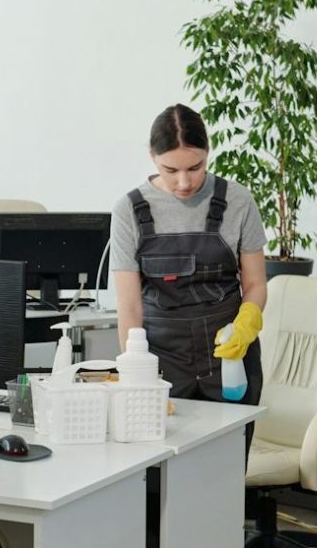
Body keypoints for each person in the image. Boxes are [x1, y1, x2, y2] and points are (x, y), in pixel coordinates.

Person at [110, 104, 266, 407]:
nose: (184, 182)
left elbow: (256, 284)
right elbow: (129, 307)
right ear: (152, 157)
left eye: (195, 167)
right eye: (171, 170)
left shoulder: (238, 201)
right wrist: (136, 377)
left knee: (233, 438)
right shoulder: (128, 211)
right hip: (160, 361)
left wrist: (246, 323)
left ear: (208, 151)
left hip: (229, 356)